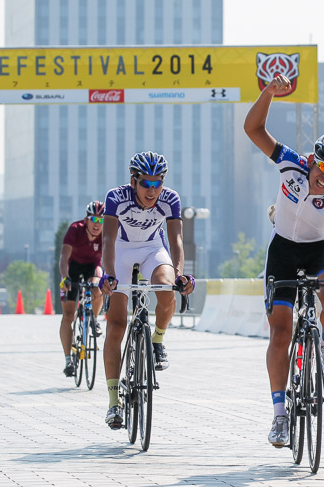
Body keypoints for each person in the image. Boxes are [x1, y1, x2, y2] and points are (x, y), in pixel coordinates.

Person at [244, 74, 324, 448]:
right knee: (280, 333)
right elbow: (253, 128)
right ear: (313, 160)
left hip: (316, 250)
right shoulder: (291, 164)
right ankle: (280, 417)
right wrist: (269, 93)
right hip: (282, 250)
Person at [98, 151, 194, 429]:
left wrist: (180, 275)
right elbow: (107, 239)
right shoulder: (116, 198)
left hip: (154, 249)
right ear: (133, 181)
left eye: (157, 183)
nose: (152, 191)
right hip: (121, 252)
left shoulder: (170, 199)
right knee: (116, 325)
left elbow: (175, 240)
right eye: (145, 184)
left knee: (166, 289)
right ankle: (114, 403)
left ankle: (157, 340)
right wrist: (110, 275)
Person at [58, 201, 105, 378]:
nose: (96, 224)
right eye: (93, 219)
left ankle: (93, 318)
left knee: (97, 288)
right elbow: (64, 256)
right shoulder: (75, 230)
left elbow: (110, 257)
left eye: (101, 220)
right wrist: (65, 277)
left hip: (92, 267)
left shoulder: (106, 234)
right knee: (68, 315)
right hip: (73, 268)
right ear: (86, 220)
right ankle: (68, 359)